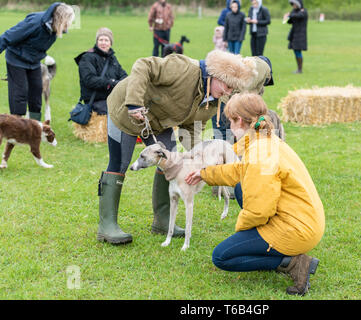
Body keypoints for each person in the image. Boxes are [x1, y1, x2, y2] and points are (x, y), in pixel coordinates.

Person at [97, 50, 267, 245]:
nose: (228, 93)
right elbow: (143, 65)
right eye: (228, 86)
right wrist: (134, 103)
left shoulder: (212, 101)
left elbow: (192, 131)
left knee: (170, 161)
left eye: (232, 89)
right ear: (215, 76)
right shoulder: (183, 68)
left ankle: (162, 221)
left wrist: (202, 161)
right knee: (120, 163)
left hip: (159, 122)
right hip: (125, 109)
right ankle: (107, 226)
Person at [185, 93, 325, 296]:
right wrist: (205, 174)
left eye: (230, 121)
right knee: (242, 188)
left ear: (239, 120)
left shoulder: (259, 152)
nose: (229, 127)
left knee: (222, 257)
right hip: (306, 220)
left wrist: (242, 232)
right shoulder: (263, 138)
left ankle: (293, 262)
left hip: (297, 230)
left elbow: (261, 210)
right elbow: (240, 170)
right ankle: (273, 246)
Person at [0, 2, 75, 121]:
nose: (69, 25)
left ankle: (34, 127)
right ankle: (16, 127)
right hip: (16, 59)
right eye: (68, 21)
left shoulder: (54, 29)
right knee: (19, 94)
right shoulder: (35, 23)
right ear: (60, 19)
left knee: (36, 96)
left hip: (34, 62)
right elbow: (7, 37)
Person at [74, 27, 128, 115]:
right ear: (97, 41)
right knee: (115, 115)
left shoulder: (112, 59)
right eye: (101, 40)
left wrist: (123, 83)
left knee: (131, 111)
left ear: (110, 43)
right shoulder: (87, 57)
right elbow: (89, 80)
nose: (103, 43)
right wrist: (111, 82)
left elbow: (123, 75)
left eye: (106, 40)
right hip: (96, 101)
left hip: (111, 98)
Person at [283, 0, 308, 74]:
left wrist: (289, 15)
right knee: (296, 51)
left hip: (300, 35)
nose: (293, 6)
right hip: (294, 34)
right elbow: (290, 21)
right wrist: (288, 17)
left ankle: (300, 70)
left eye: (294, 4)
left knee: (298, 51)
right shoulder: (294, 11)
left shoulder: (303, 11)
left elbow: (299, 15)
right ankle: (298, 69)